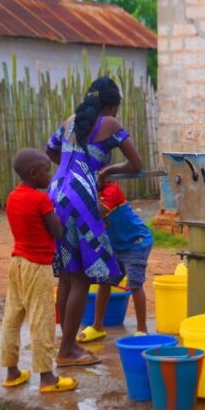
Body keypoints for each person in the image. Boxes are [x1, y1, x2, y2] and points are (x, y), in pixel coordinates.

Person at [46, 76, 142, 367]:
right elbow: (136, 164)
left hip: (55, 193)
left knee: (65, 273)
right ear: (112, 106)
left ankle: (68, 343)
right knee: (81, 278)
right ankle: (66, 352)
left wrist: (69, 167)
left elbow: (51, 149)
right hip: (81, 197)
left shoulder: (70, 120)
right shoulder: (110, 125)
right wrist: (105, 169)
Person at [0, 148, 77, 392]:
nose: (50, 175)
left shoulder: (13, 197)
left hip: (17, 263)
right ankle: (47, 378)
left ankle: (12, 372)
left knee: (12, 317)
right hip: (37, 265)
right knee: (42, 320)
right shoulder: (40, 199)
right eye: (46, 171)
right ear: (34, 174)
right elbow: (57, 232)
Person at [77, 176, 152, 342]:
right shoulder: (91, 193)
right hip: (116, 245)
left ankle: (142, 330)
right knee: (105, 281)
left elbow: (97, 214)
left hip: (136, 242)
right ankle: (97, 326)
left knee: (134, 284)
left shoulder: (112, 190)